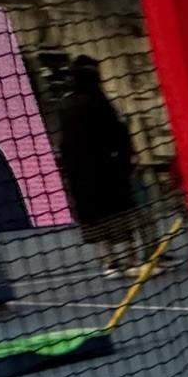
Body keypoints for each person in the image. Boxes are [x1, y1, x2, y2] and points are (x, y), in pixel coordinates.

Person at [55, 54, 141, 276]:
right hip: (106, 171)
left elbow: (64, 143)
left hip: (81, 175)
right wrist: (127, 160)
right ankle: (130, 261)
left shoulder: (65, 103)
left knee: (96, 217)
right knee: (119, 213)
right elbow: (117, 134)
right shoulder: (98, 102)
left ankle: (110, 263)